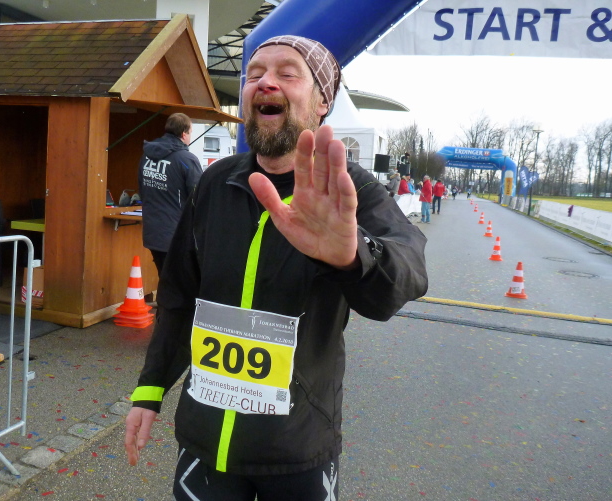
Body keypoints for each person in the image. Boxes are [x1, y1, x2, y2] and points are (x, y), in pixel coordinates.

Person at [124, 35, 428, 501]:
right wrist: (150, 388)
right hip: (206, 441)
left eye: (287, 73)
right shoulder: (216, 182)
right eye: (254, 73)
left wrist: (355, 254)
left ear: (323, 102)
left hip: (296, 447)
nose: (265, 82)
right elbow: (179, 297)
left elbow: (407, 273)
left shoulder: (349, 190)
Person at [138, 113, 203, 276]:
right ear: (184, 134)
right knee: (179, 282)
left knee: (164, 276)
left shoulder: (146, 156)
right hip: (176, 236)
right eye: (190, 132)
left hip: (152, 232)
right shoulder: (186, 159)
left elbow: (142, 189)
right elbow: (199, 197)